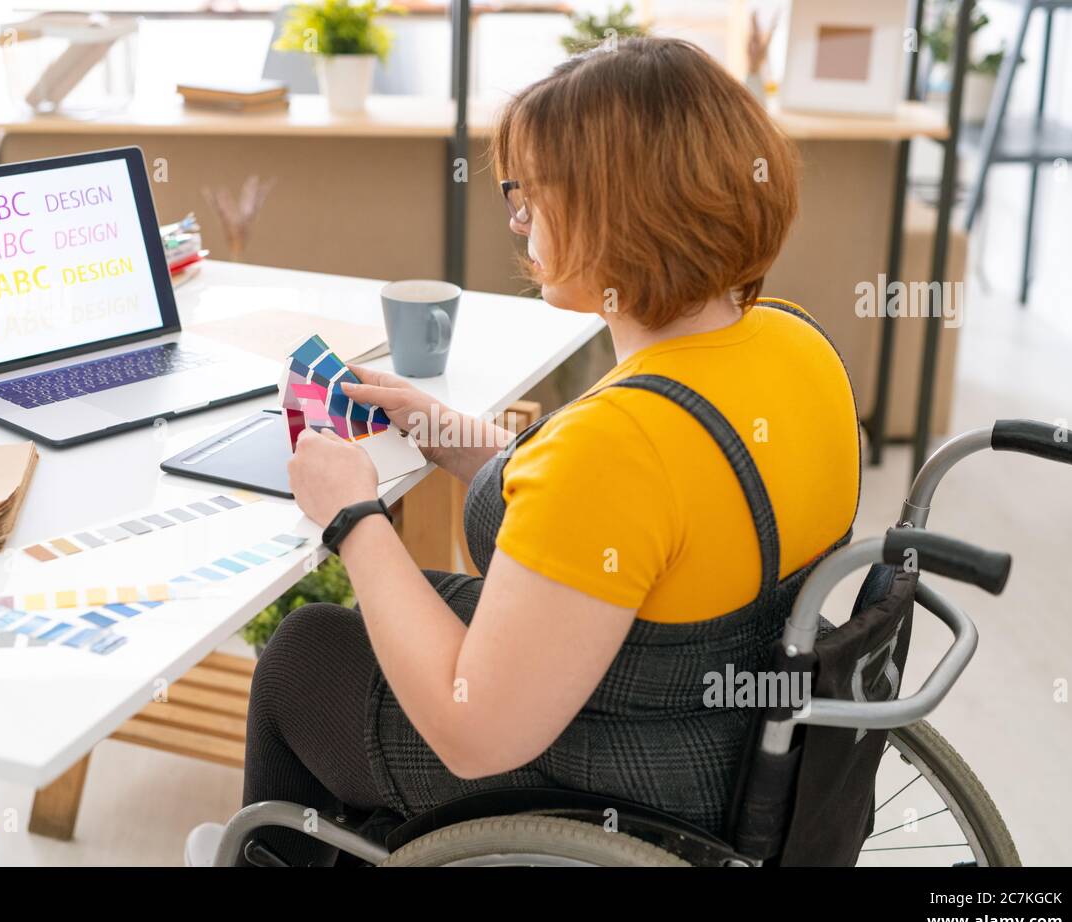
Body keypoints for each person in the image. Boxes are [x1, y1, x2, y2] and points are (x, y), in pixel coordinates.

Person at [217, 36, 859, 866]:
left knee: (304, 655)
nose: (518, 219)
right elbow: (617, 532)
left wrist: (354, 517)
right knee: (389, 618)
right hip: (732, 743)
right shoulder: (794, 344)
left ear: (620, 210)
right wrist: (446, 432)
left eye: (533, 196)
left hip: (622, 788)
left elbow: (471, 731)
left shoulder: (620, 443)